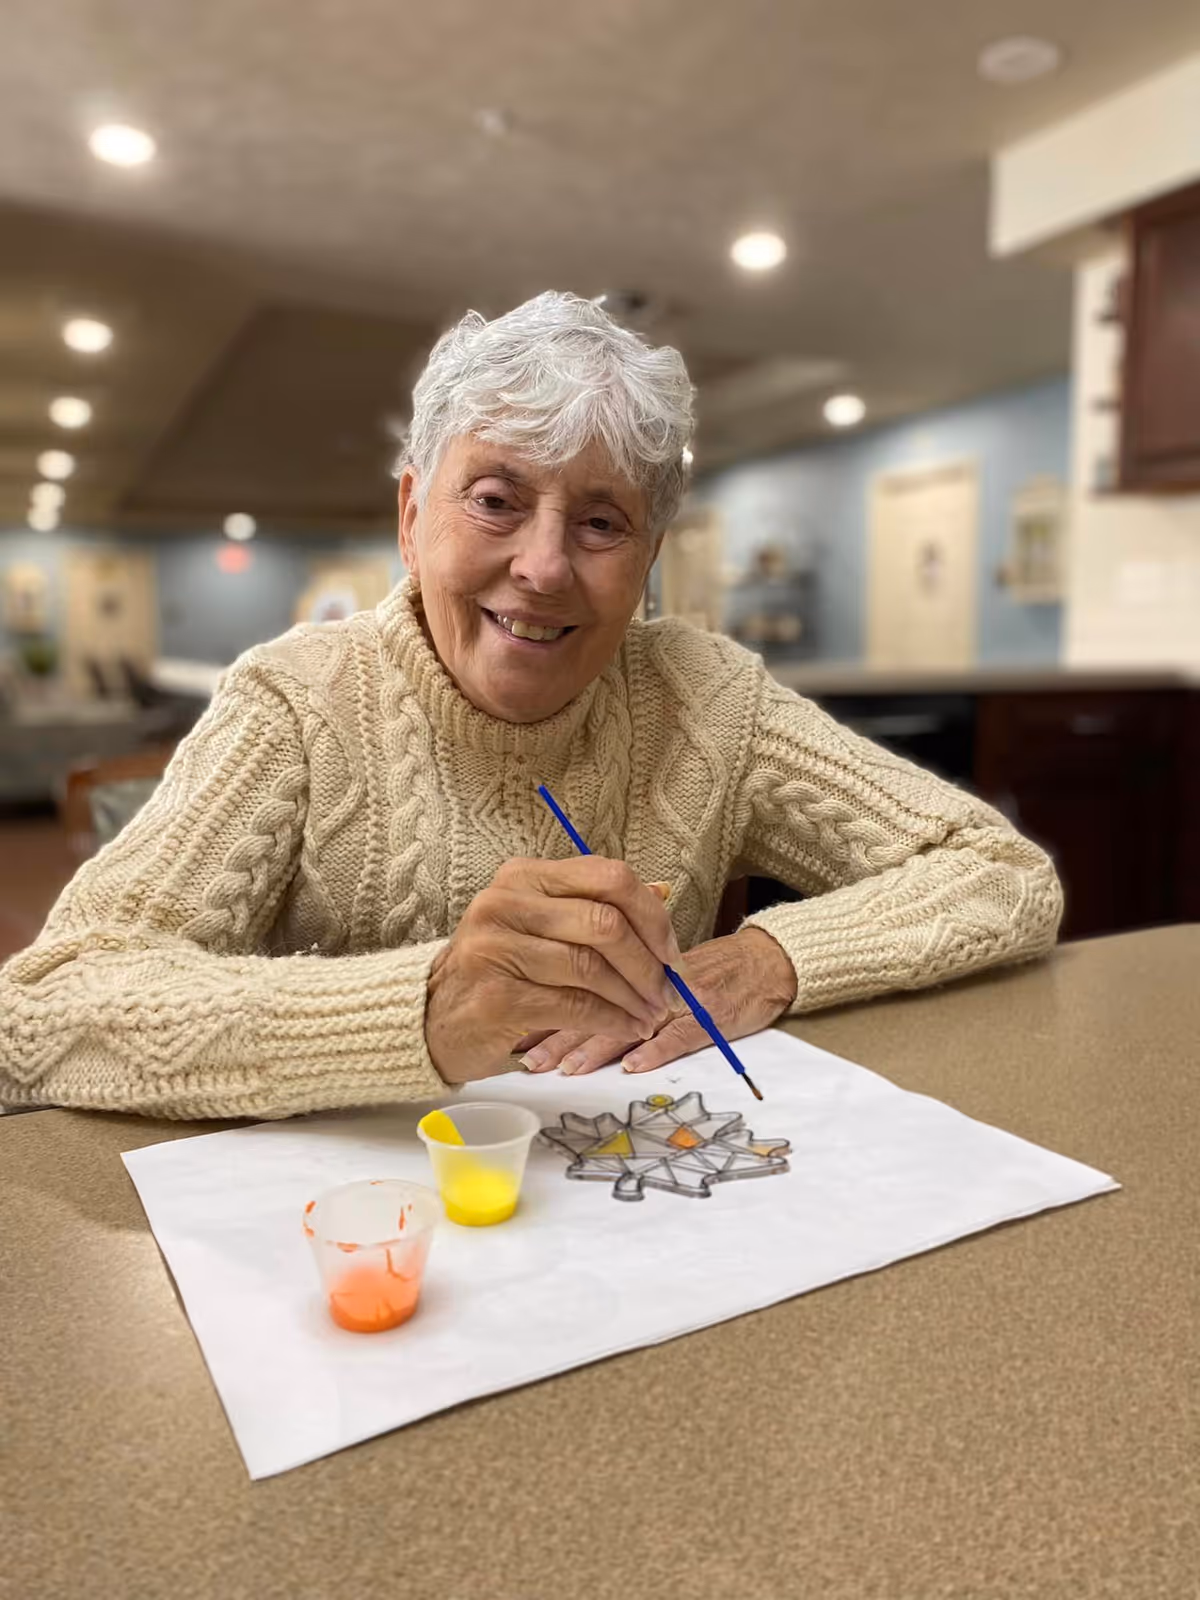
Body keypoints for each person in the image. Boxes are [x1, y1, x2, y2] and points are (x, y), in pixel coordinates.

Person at [0, 293, 1062, 1119]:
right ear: (414, 514)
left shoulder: (708, 698)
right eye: (497, 500)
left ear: (649, 560)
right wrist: (427, 1012)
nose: (545, 567)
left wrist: (763, 962)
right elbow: (43, 1014)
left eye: (602, 523)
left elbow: (1001, 875)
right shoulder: (294, 702)